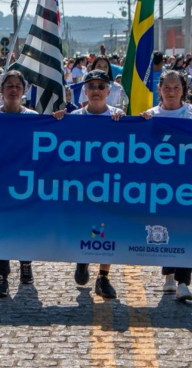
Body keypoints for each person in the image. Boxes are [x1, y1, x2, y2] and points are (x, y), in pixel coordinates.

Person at [140, 70, 192, 302]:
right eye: (167, 88)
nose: (171, 92)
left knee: (186, 228)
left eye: (176, 88)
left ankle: (183, 282)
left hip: (188, 183)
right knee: (165, 227)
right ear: (159, 89)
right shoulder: (150, 115)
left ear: (183, 90)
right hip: (160, 185)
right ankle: (168, 274)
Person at [0, 70, 43, 297]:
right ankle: (1, 276)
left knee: (24, 226)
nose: (13, 90)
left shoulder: (33, 117)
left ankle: (25, 263)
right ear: (1, 90)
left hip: (24, 184)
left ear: (24, 90)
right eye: (9, 85)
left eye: (18, 86)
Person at [68, 70, 124, 299]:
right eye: (91, 86)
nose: (96, 91)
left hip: (110, 185)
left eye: (101, 86)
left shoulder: (119, 117)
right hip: (81, 186)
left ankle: (103, 277)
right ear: (85, 90)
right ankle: (83, 259)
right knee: (86, 227)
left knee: (106, 228)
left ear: (108, 91)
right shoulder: (73, 118)